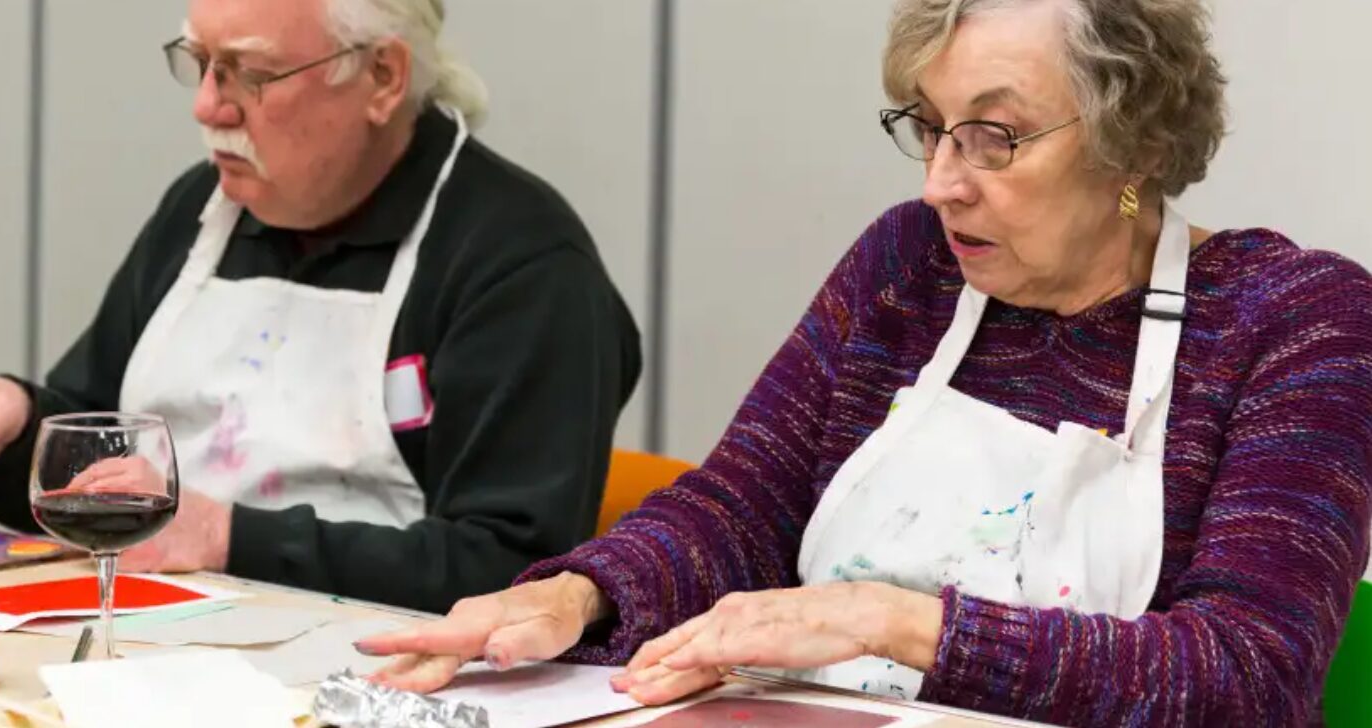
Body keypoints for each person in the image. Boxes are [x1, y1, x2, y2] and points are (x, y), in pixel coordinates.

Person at [358, 0, 1372, 724]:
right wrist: (577, 594)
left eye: (993, 137)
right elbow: (739, 506)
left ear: (1133, 142)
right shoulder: (907, 268)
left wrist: (891, 621)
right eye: (928, 130)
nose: (941, 183)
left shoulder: (1289, 320)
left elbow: (1246, 674)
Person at [0, 0, 641, 614]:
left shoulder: (519, 266)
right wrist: (15, 432)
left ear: (382, 76)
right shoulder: (205, 209)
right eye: (199, 63)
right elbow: (108, 455)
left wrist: (228, 539)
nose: (208, 106)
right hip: (159, 638)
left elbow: (517, 572)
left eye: (250, 74)